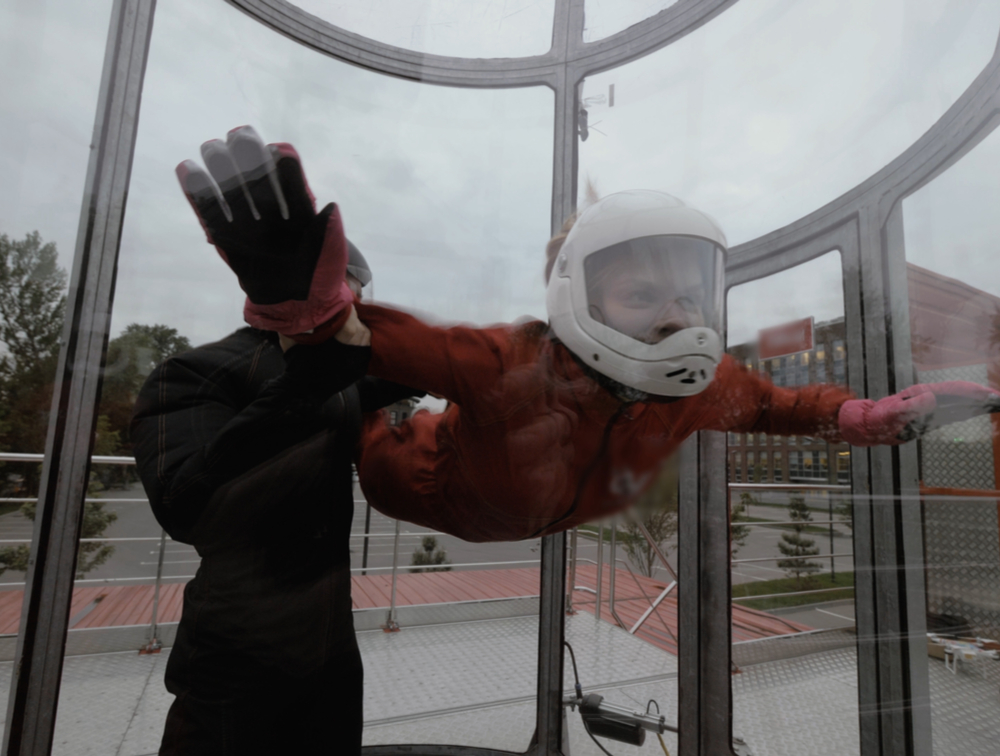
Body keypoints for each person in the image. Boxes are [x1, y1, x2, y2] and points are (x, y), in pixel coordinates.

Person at [175, 126, 1000, 546]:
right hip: (416, 477)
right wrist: (313, 310)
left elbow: (776, 406)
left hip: (528, 505)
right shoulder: (510, 362)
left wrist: (856, 418)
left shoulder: (704, 382)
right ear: (579, 298)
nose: (678, 315)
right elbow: (391, 343)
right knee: (373, 410)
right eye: (644, 293)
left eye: (690, 292)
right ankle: (366, 412)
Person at [131, 220, 415, 755]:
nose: (356, 304)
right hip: (233, 657)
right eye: (350, 287)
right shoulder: (194, 372)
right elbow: (185, 506)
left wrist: (563, 334)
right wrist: (308, 381)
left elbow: (434, 364)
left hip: (329, 652)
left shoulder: (342, 380)